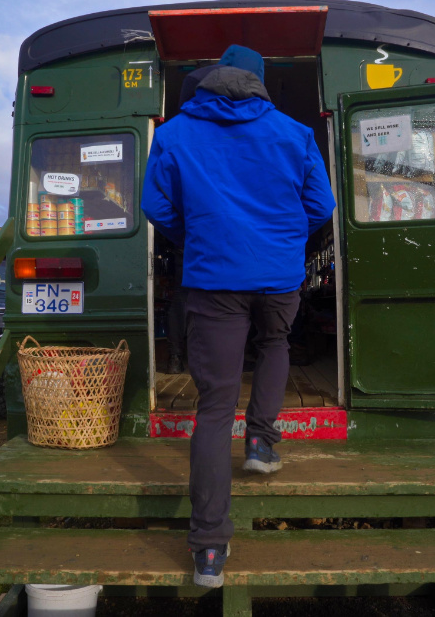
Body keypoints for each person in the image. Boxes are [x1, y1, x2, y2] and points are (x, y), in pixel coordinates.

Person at [141, 45, 335, 587]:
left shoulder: (176, 133)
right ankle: (261, 443)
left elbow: (156, 208)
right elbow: (321, 207)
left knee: (213, 405)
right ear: (258, 84)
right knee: (275, 347)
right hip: (277, 276)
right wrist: (281, 240)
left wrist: (202, 236)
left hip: (213, 279)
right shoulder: (293, 134)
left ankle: (208, 550)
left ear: (210, 80)